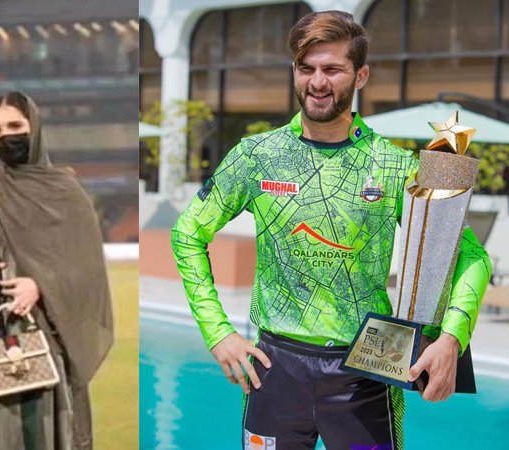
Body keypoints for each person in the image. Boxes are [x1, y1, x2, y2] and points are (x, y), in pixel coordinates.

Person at [170, 10, 492, 450]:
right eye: (307, 68)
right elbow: (187, 233)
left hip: (368, 366)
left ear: (360, 76)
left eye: (332, 69)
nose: (317, 82)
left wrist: (452, 337)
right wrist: (218, 333)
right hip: (274, 367)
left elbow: (470, 256)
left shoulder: (393, 164)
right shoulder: (257, 156)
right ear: (294, 71)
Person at [0, 91, 114, 450]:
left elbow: (89, 275)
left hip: (46, 342)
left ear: (35, 129)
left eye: (14, 126)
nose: (4, 136)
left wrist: (39, 285)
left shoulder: (65, 193)